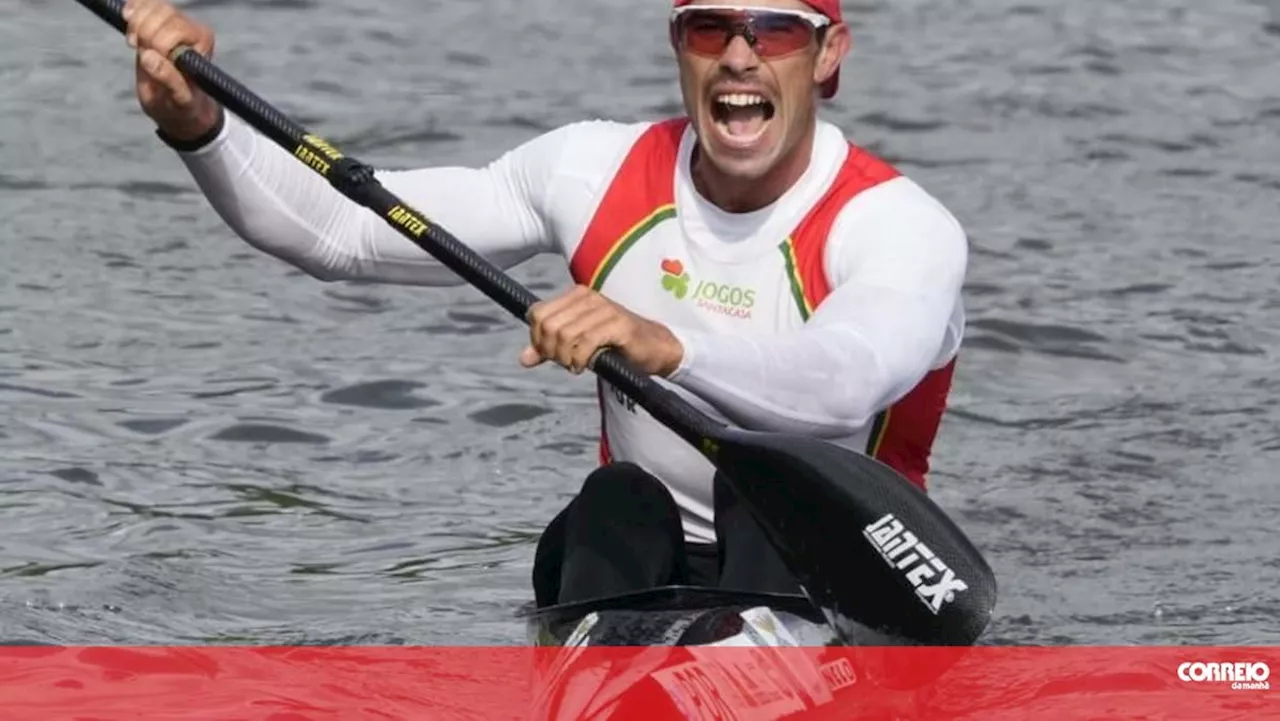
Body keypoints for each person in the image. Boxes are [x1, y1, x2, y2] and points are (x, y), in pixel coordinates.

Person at [122, 0, 969, 608]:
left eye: (775, 29)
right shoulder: (589, 170)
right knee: (613, 504)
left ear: (826, 56)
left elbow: (846, 380)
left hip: (851, 569)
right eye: (709, 28)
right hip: (644, 560)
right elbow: (339, 233)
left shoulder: (899, 225)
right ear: (680, 47)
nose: (739, 56)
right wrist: (201, 123)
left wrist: (663, 344)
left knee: (764, 525)